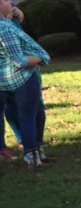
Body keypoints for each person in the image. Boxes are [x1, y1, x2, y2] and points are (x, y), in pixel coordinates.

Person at [0, 0, 49, 168]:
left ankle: (37, 152)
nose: (11, 2)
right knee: (29, 116)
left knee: (38, 114)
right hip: (21, 78)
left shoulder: (6, 23)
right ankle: (32, 156)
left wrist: (13, 19)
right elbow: (19, 60)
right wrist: (40, 58)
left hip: (10, 79)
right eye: (6, 0)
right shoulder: (4, 28)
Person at [0, 1, 22, 160]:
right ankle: (1, 148)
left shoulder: (9, 10)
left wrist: (17, 17)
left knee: (12, 103)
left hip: (10, 70)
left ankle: (24, 140)